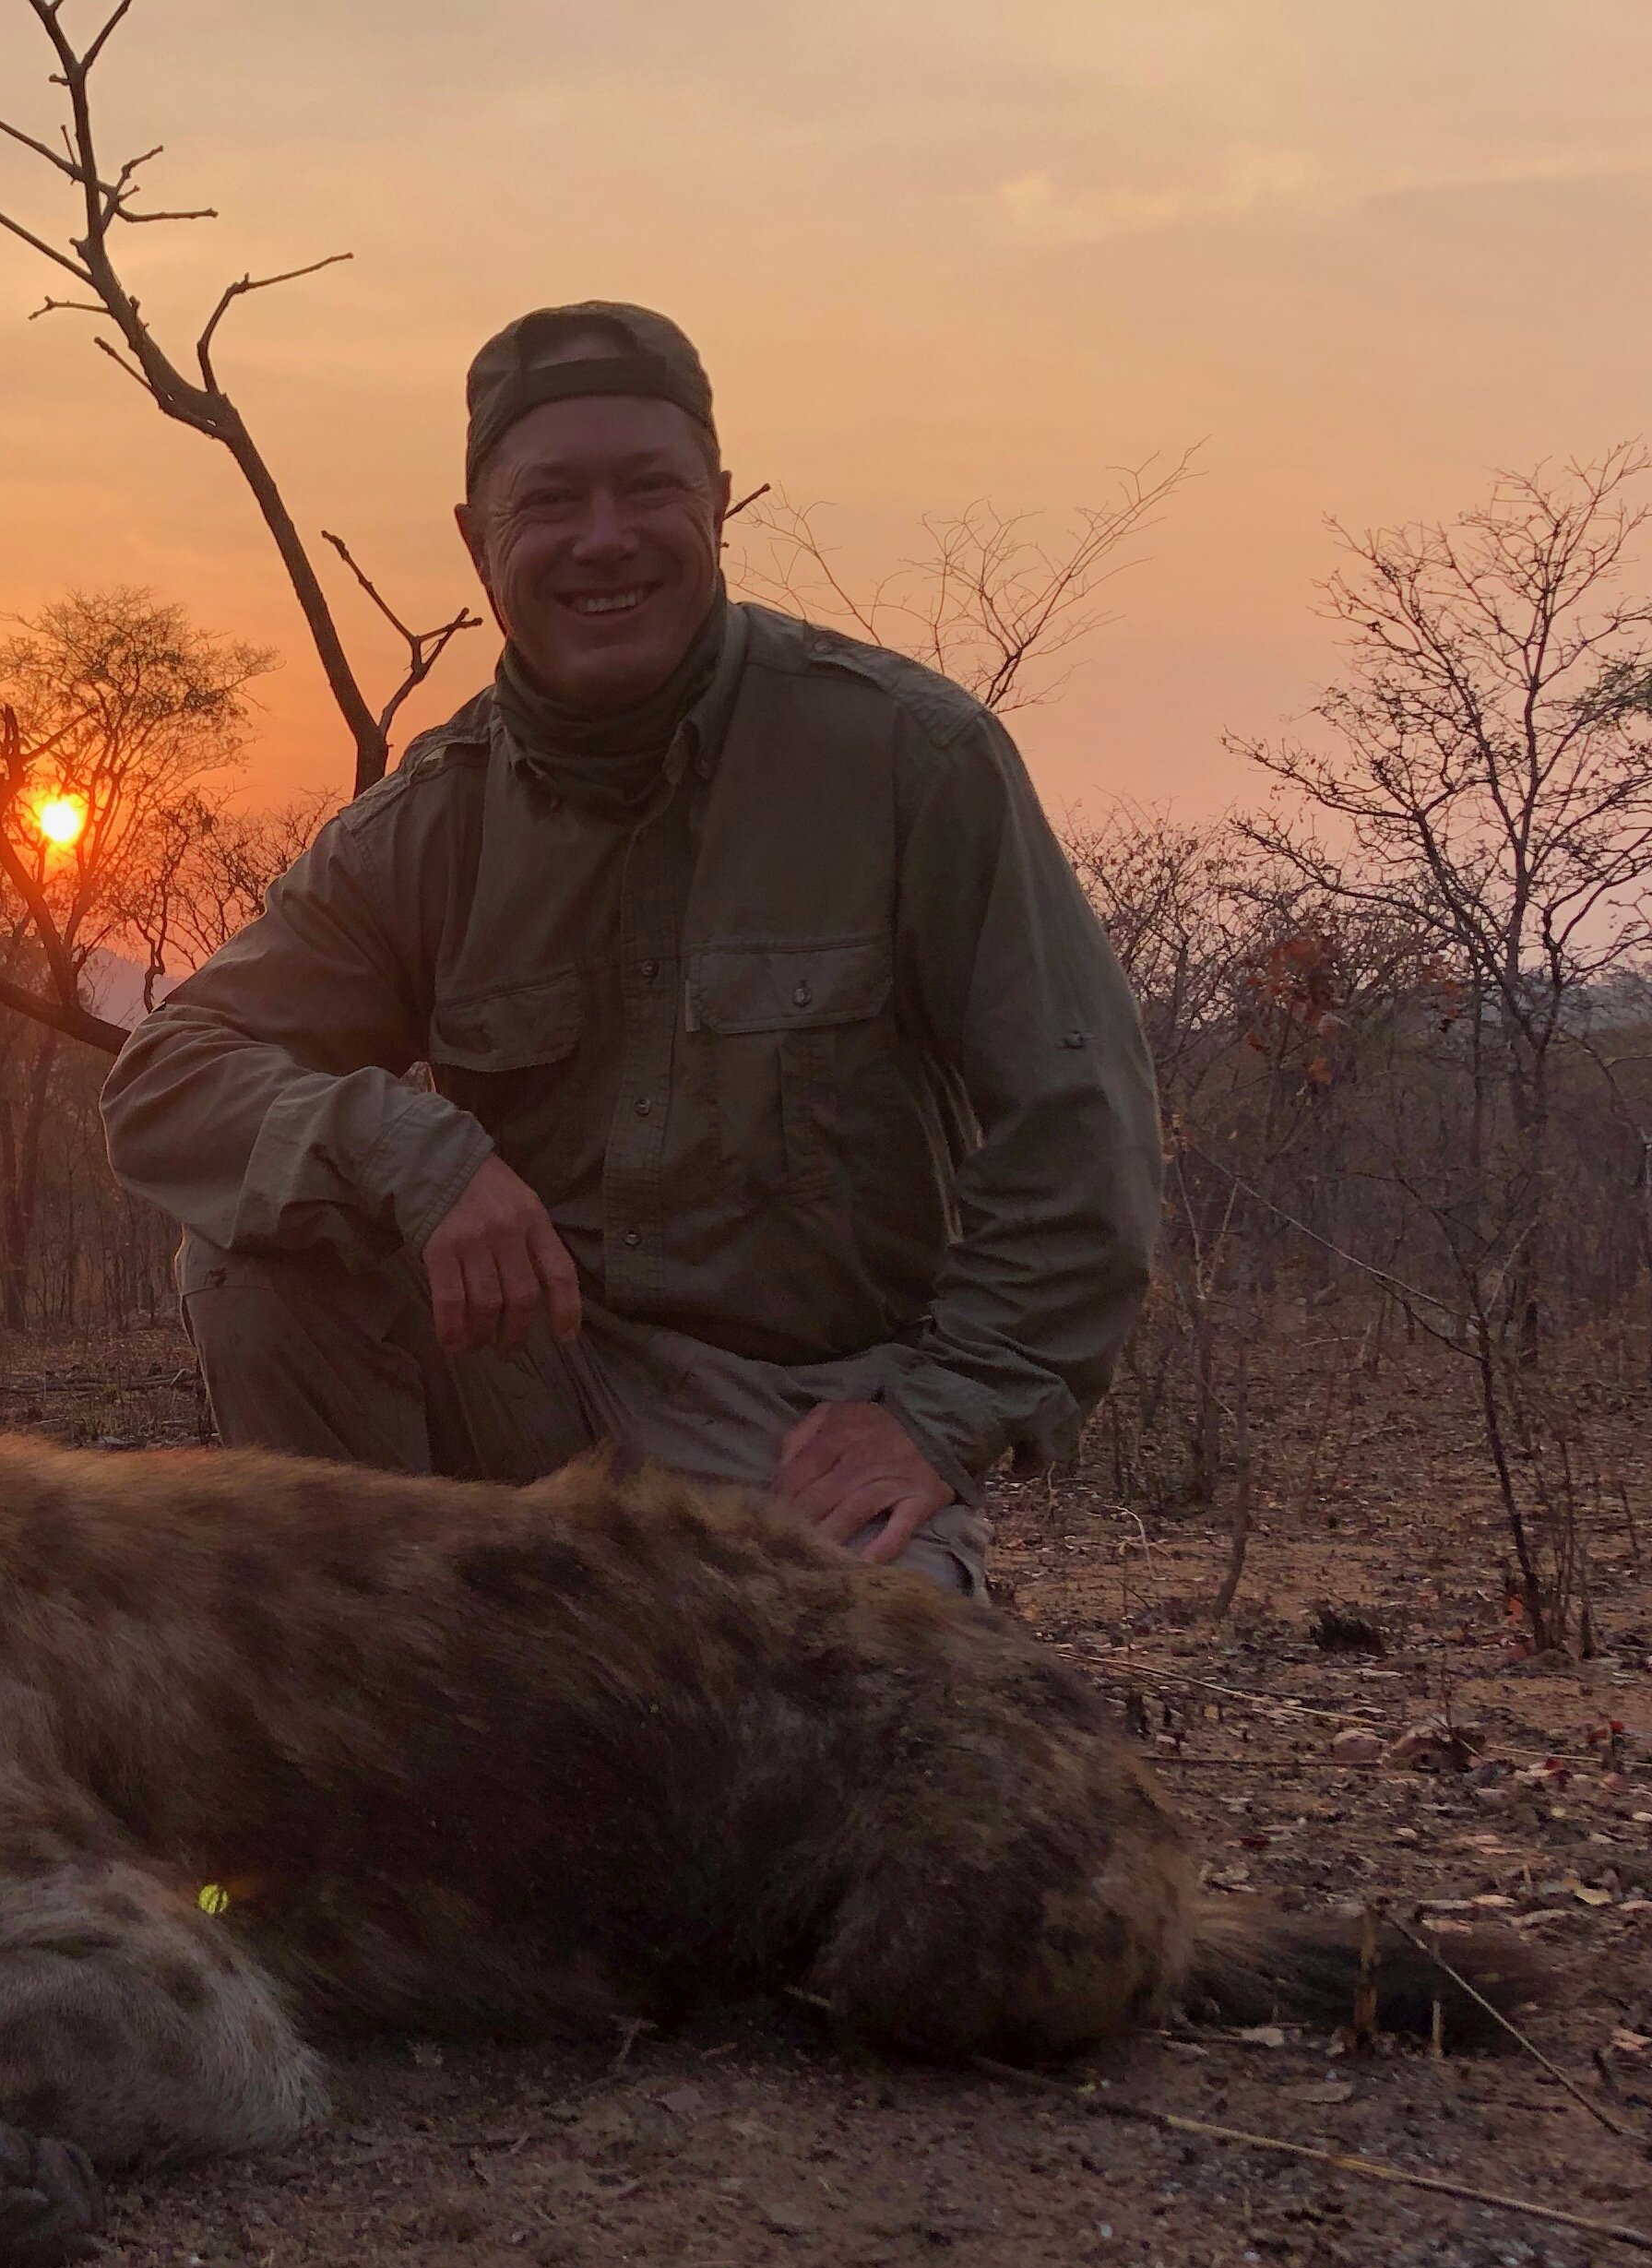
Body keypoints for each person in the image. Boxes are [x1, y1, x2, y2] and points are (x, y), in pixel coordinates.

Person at [100, 302, 1161, 1600]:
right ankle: (381, 1666)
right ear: (477, 541)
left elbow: (1082, 1126)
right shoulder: (427, 823)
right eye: (551, 500)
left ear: (717, 501)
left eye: (648, 488)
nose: (605, 541)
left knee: (874, 1757)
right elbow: (165, 1080)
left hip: (803, 1433)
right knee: (258, 1264)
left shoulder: (910, 759)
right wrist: (415, 1154)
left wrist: (938, 1416)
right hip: (532, 1398)